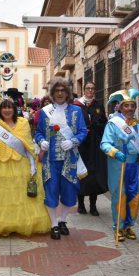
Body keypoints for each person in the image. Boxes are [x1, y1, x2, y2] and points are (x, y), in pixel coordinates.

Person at [0, 100, 51, 236]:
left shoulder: (23, 124)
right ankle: (2, 225)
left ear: (14, 110)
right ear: (0, 111)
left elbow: (28, 146)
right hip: (0, 165)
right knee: (1, 197)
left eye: (10, 108)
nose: (7, 110)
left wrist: (33, 165)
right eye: (4, 108)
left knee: (21, 196)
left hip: (21, 163)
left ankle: (20, 224)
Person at [34, 77, 87, 240]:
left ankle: (63, 220)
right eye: (56, 90)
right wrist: (41, 141)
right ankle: (54, 224)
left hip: (69, 159)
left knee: (69, 191)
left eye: (63, 90)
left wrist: (73, 141)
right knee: (51, 192)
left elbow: (83, 131)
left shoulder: (76, 111)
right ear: (52, 93)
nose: (59, 93)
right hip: (50, 160)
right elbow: (38, 132)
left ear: (67, 93)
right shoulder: (45, 111)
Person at [100, 89, 139, 242]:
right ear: (120, 107)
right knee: (120, 196)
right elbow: (104, 144)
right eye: (126, 106)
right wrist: (115, 152)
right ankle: (118, 226)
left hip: (134, 166)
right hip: (119, 164)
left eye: (132, 106)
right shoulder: (113, 124)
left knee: (135, 196)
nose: (130, 109)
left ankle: (128, 225)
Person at [72, 81, 108, 216]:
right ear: (84, 90)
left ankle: (93, 205)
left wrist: (96, 125)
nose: (90, 91)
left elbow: (104, 123)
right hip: (81, 146)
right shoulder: (76, 106)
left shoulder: (98, 105)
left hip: (95, 146)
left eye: (93, 88)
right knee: (81, 174)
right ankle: (81, 204)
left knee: (94, 175)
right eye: (88, 88)